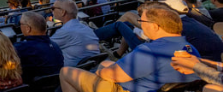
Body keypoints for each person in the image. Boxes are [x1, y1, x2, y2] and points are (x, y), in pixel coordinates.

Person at [61, 6, 202, 92]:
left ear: (155, 26)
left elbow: (111, 75)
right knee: (106, 63)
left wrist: (100, 72)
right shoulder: (190, 48)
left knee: (66, 72)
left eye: (142, 21)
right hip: (157, 85)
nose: (139, 24)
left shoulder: (150, 50)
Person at [14, 11, 64, 83]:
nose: (20, 27)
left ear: (28, 28)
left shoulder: (22, 48)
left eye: (20, 24)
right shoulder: (55, 46)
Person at [50, 0, 101, 67]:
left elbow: (45, 48)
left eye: (53, 8)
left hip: (75, 73)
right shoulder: (86, 28)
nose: (51, 10)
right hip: (91, 69)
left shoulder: (66, 30)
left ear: (62, 12)